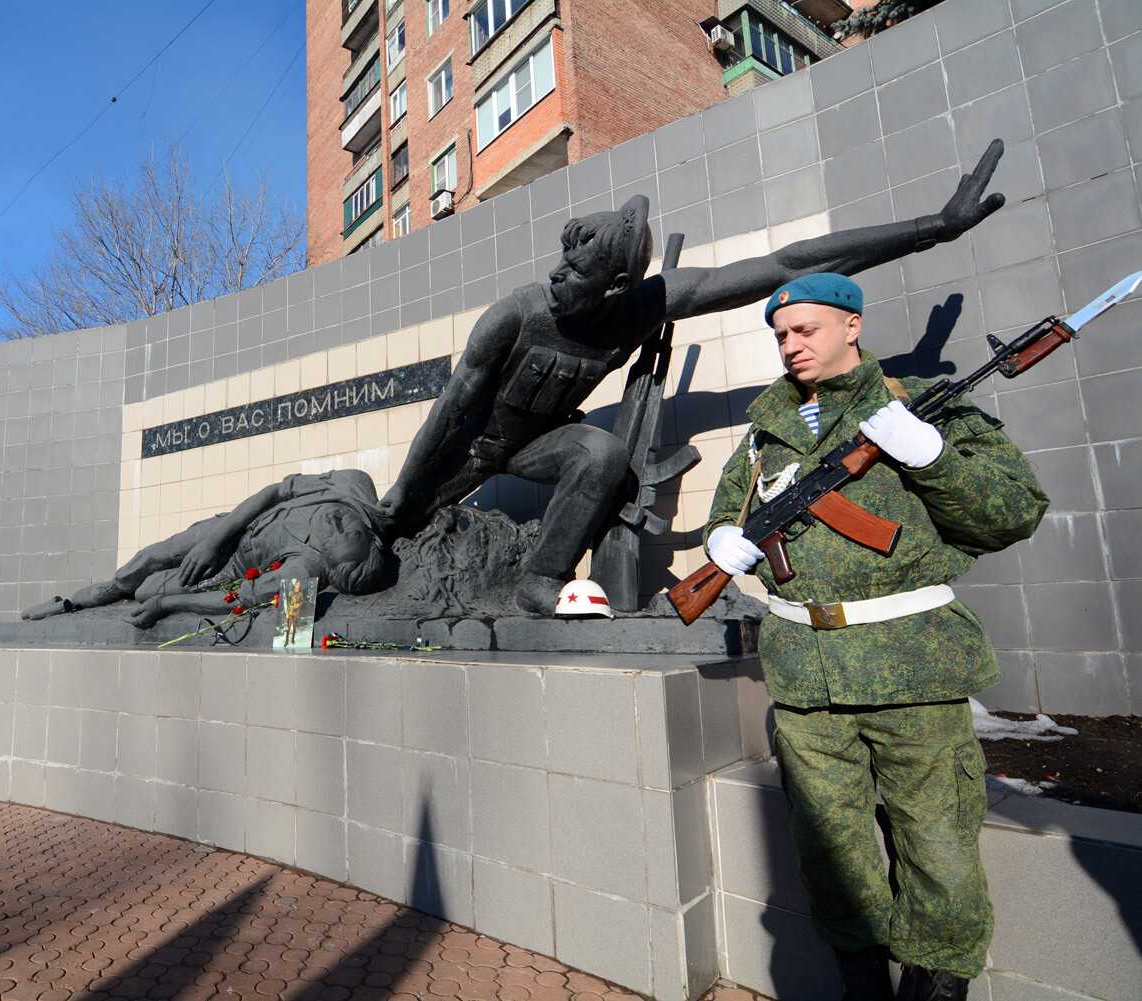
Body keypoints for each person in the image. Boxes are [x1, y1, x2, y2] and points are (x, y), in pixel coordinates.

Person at [380, 142, 1010, 614]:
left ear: (616, 287)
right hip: (470, 445)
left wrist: (932, 230)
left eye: (576, 273)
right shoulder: (514, 314)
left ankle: (541, 581)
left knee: (601, 453)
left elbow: (783, 265)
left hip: (540, 440)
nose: (557, 278)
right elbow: (447, 410)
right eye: (560, 264)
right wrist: (404, 492)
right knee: (395, 528)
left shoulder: (643, 305)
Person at [702, 273, 1048, 1001]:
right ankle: (862, 983)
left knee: (939, 842)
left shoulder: (919, 403)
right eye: (781, 334)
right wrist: (721, 541)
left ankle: (940, 982)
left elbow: (1014, 509)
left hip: (912, 667)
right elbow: (726, 510)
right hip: (805, 677)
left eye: (807, 330)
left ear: (851, 325)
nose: (790, 345)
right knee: (830, 850)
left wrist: (931, 457)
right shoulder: (767, 431)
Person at [21, 469, 387, 629]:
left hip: (230, 566)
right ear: (370, 535)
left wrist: (168, 605)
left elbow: (239, 598)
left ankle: (82, 606)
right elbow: (275, 491)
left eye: (333, 537)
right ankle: (72, 603)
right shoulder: (353, 484)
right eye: (348, 526)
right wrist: (212, 541)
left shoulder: (304, 573)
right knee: (146, 559)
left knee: (148, 590)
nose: (335, 522)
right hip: (228, 528)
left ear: (327, 559)